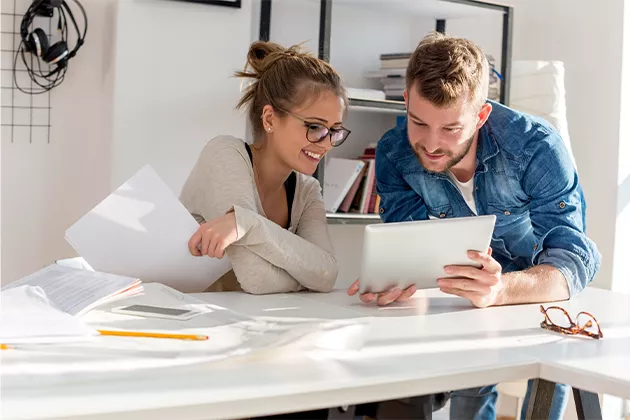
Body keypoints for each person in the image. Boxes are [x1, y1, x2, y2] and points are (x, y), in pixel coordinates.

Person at [348, 32, 600, 419]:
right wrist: (393, 279)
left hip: (539, 282)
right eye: (419, 122)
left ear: (481, 116)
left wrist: (502, 289)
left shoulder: (537, 148)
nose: (431, 144)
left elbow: (571, 261)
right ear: (406, 102)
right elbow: (406, 240)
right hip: (470, 285)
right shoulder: (394, 152)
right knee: (468, 385)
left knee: (552, 365)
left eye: (450, 129)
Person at [179, 40, 350, 299]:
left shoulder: (306, 191)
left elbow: (326, 275)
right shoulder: (225, 154)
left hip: (237, 322)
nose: (326, 143)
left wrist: (247, 224)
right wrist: (305, 277)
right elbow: (257, 278)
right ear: (270, 119)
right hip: (168, 320)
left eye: (334, 131)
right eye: (314, 127)